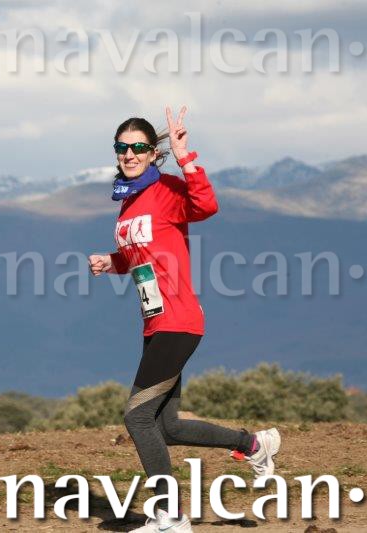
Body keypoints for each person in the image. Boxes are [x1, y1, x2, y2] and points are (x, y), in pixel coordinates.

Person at [88, 106, 280, 533]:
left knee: (138, 418)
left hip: (178, 321)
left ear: (152, 153)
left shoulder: (168, 189)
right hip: (156, 323)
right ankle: (254, 444)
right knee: (167, 426)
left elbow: (206, 205)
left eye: (138, 147)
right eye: (122, 147)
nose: (129, 154)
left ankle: (170, 516)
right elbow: (141, 255)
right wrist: (111, 262)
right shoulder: (129, 201)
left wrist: (184, 156)